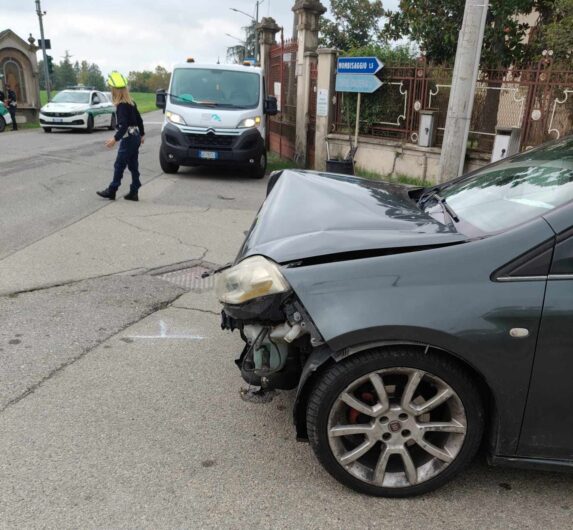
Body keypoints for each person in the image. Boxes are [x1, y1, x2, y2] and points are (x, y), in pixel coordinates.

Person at [97, 71, 145, 201]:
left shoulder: (122, 106)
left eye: (112, 89)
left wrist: (114, 139)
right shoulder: (131, 102)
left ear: (116, 90)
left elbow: (123, 126)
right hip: (135, 137)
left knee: (119, 165)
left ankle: (112, 190)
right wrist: (142, 134)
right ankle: (134, 190)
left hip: (128, 138)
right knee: (133, 164)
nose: (111, 91)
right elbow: (139, 119)